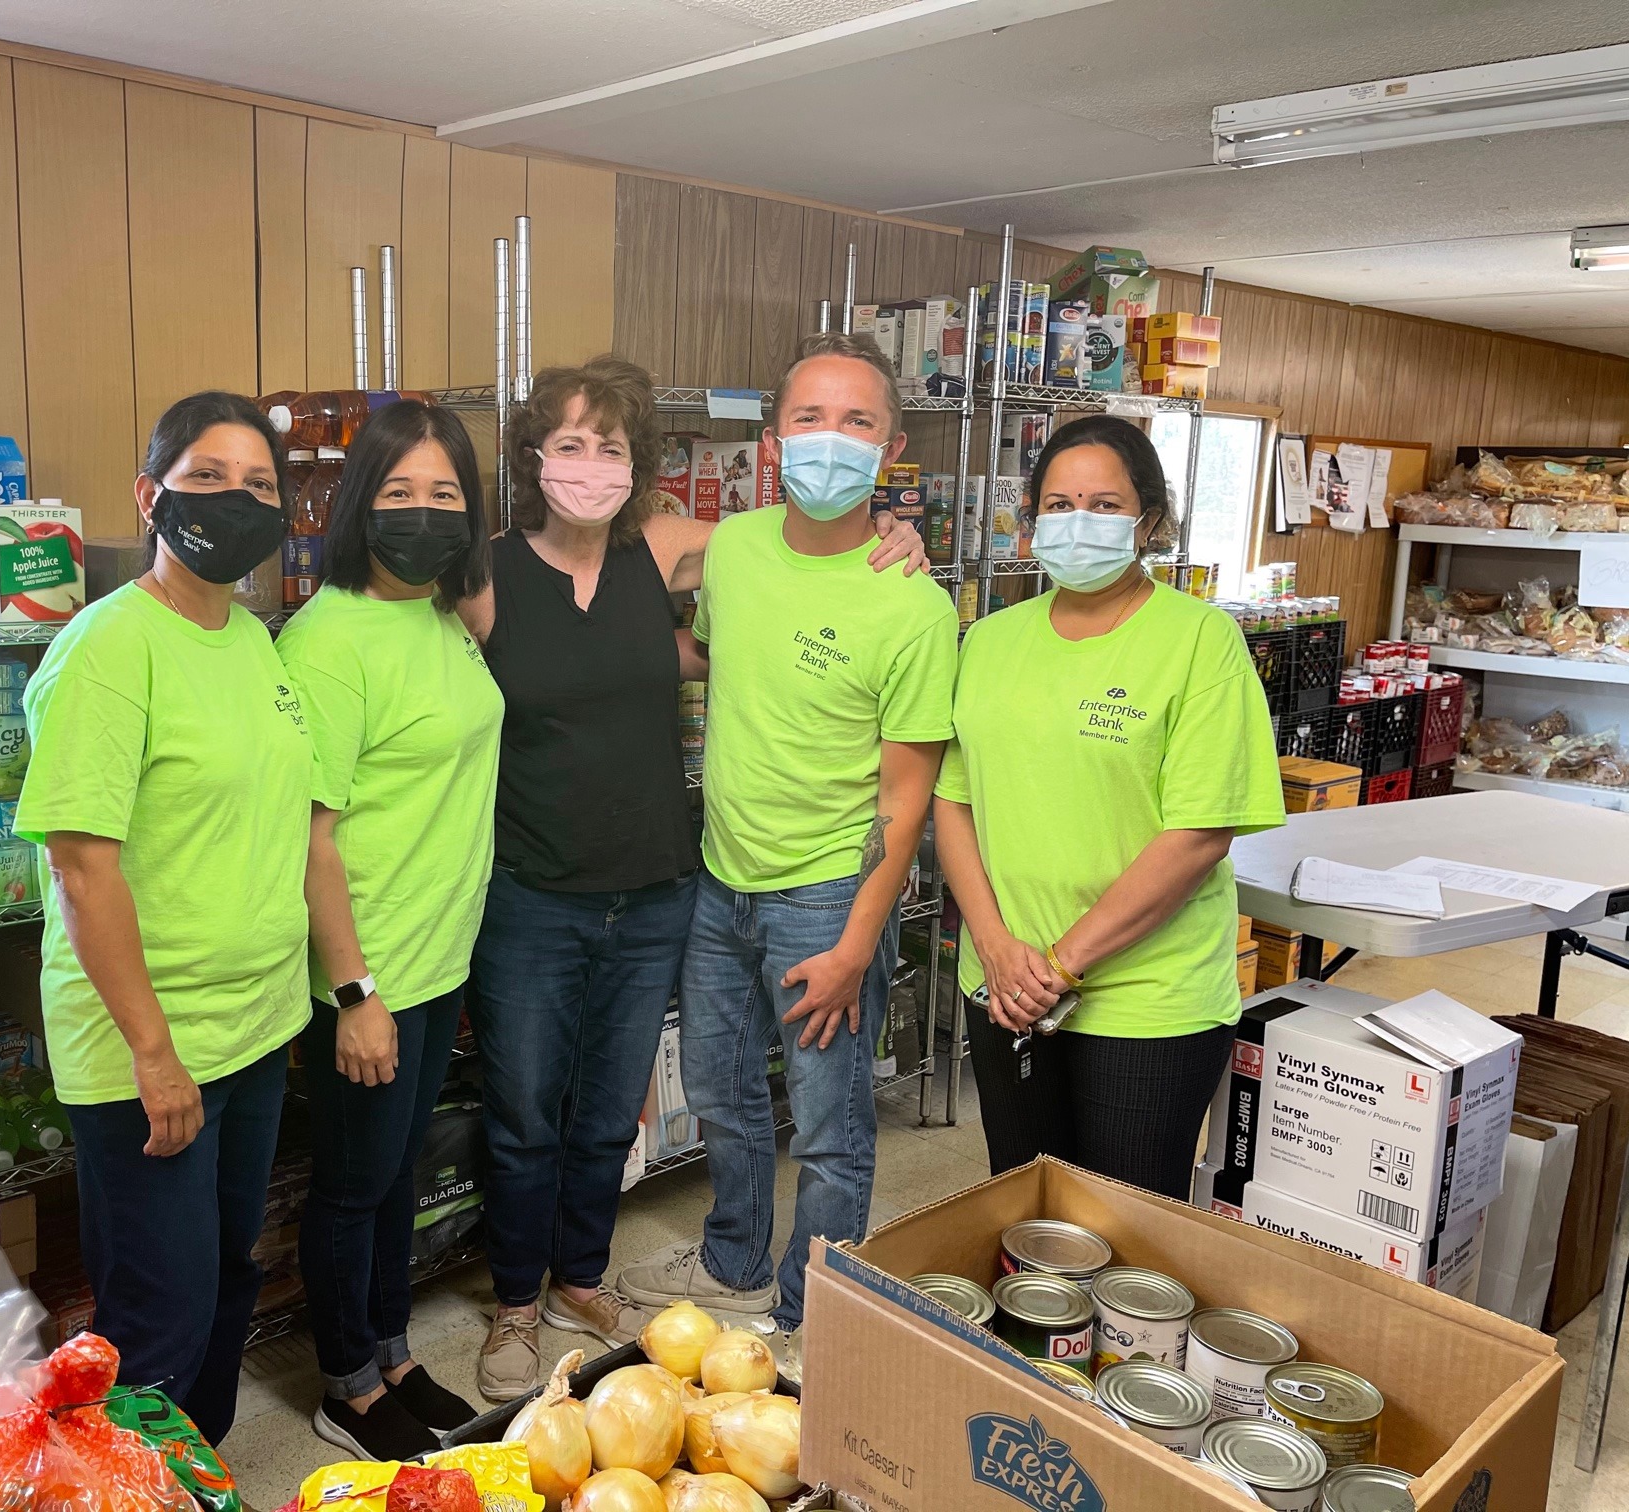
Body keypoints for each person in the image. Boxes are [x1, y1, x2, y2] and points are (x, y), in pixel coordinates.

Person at [460, 355, 928, 1402]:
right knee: (532, 1108)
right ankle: (517, 1302)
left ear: (641, 465)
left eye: (611, 446)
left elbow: (816, 552)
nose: (588, 466)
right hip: (538, 891)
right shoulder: (482, 574)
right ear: (532, 457)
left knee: (612, 1108)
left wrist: (898, 533)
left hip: (664, 885)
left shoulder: (676, 547)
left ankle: (595, 1279)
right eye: (568, 444)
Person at [615, 332, 958, 1342]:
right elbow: (706, 647)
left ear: (891, 446)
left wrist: (858, 941)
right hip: (722, 877)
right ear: (772, 438)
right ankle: (734, 1260)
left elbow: (907, 798)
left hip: (827, 894)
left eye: (857, 421)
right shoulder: (738, 548)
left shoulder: (913, 605)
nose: (830, 441)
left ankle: (815, 1323)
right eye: (810, 418)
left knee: (831, 1127)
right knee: (721, 1092)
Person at [15, 391, 311, 1446]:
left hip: (254, 1029)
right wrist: (153, 1051)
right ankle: (131, 1479)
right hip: (154, 1046)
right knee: (158, 1316)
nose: (238, 503)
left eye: (261, 486)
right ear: (149, 497)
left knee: (230, 1277)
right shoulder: (108, 648)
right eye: (209, 480)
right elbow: (85, 874)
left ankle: (198, 1473)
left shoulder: (251, 640)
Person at [932, 414, 1284, 1200]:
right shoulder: (988, 641)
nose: (1077, 522)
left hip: (1147, 1003)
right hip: (1006, 986)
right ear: (1030, 524)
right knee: (1026, 1212)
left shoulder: (1199, 641)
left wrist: (1058, 966)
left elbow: (1196, 836)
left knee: (1125, 1230)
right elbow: (954, 801)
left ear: (1148, 521)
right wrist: (995, 949)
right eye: (1057, 505)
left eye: (1102, 503)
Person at [278, 400, 501, 1461]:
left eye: (445, 493)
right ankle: (346, 1383)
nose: (422, 513)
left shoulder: (446, 616)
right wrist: (356, 991)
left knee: (399, 1173)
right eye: (399, 492)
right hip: (368, 971)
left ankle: (392, 1348)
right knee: (356, 1183)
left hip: (440, 953)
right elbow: (312, 839)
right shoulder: (328, 640)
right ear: (360, 503)